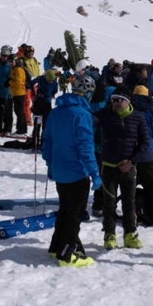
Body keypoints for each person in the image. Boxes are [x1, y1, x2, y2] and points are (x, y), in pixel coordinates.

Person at [42, 76, 99, 267]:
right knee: (74, 213)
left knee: (65, 210)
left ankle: (56, 247)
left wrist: (50, 164)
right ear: (89, 93)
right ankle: (67, 254)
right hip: (77, 172)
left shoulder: (56, 112)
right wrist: (95, 173)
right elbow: (85, 147)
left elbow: (47, 142)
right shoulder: (82, 114)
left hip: (59, 170)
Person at [98, 90, 148, 250]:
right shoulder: (105, 115)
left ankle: (130, 234)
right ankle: (109, 235)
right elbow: (88, 121)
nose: (117, 103)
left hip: (129, 168)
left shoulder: (138, 117)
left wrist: (132, 161)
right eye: (113, 100)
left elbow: (145, 142)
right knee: (109, 203)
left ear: (128, 101)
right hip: (109, 167)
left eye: (120, 100)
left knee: (129, 202)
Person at [129, 84, 153, 226]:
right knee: (151, 186)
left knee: (130, 186)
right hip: (147, 153)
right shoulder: (152, 109)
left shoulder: (129, 107)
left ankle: (132, 214)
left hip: (130, 153)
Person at [0, 46, 14, 135]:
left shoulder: (10, 64)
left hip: (8, 92)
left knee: (7, 112)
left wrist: (10, 81)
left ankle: (7, 129)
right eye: (2, 55)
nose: (3, 57)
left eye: (5, 56)